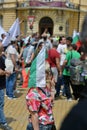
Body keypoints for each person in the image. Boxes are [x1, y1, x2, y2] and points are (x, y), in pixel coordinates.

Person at [26, 44, 56, 130]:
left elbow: (51, 100)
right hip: (40, 126)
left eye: (49, 72)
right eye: (47, 72)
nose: (50, 74)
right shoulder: (34, 92)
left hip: (49, 124)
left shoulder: (45, 88)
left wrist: (53, 87)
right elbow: (34, 114)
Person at [0, 44, 13, 130]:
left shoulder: (1, 57)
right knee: (0, 104)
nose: (3, 47)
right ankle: (3, 122)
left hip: (1, 84)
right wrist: (6, 72)